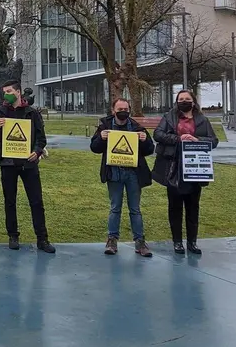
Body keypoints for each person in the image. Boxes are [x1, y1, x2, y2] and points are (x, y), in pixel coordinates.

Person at [0, 80, 55, 253]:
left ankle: (42, 238)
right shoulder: (0, 111)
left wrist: (38, 151)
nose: (6, 94)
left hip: (29, 163)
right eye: (4, 91)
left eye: (9, 91)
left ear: (18, 92)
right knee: (10, 201)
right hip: (8, 163)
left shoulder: (31, 113)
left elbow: (41, 137)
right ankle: (13, 235)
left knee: (36, 201)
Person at [153, 90, 220, 255]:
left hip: (196, 168)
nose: (184, 101)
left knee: (193, 207)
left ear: (193, 101)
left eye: (187, 99)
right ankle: (177, 242)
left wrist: (198, 140)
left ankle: (192, 242)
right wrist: (177, 138)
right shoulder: (169, 117)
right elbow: (158, 134)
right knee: (174, 207)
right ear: (176, 101)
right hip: (173, 167)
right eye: (180, 99)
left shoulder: (202, 120)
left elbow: (214, 140)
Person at [90, 98, 155, 257]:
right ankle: (112, 240)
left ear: (129, 110)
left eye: (125, 108)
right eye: (120, 109)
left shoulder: (137, 127)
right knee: (115, 207)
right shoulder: (104, 126)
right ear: (113, 110)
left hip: (133, 174)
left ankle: (140, 241)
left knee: (135, 209)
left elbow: (150, 149)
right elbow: (94, 147)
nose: (123, 111)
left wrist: (145, 140)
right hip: (114, 173)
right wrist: (101, 138)